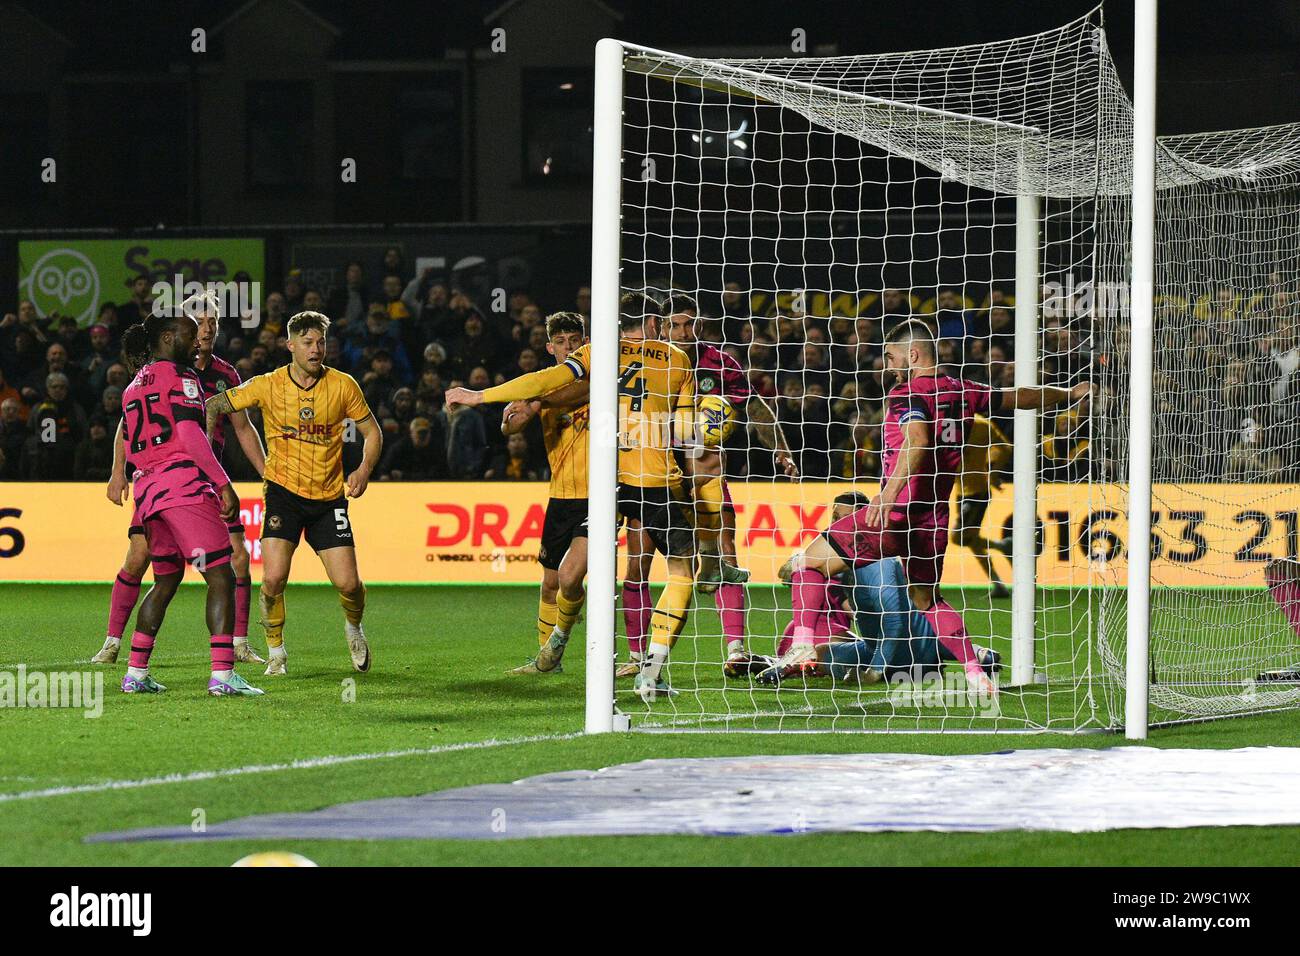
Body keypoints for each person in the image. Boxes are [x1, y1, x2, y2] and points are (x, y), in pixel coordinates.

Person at [773, 320, 1090, 697]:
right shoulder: (965, 391)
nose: (887, 367)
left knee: (804, 563)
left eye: (891, 358)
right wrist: (1068, 392)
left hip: (896, 513)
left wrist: (889, 493)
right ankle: (974, 672)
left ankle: (804, 643)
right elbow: (1019, 396)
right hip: (934, 520)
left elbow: (917, 440)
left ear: (913, 354)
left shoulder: (908, 394)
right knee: (928, 600)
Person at [446, 291, 697, 702]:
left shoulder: (599, 355)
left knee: (573, 574)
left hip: (607, 484)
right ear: (654, 323)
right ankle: (649, 671)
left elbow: (543, 381)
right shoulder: (678, 360)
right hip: (654, 480)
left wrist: (479, 395)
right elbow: (688, 434)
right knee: (681, 572)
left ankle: (564, 646)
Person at [92, 292, 268, 667]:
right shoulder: (177, 373)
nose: (206, 329)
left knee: (228, 562)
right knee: (147, 559)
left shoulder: (223, 375)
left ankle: (236, 643)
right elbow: (141, 428)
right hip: (185, 480)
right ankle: (113, 642)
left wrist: (266, 472)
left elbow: (243, 427)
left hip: (182, 480)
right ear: (178, 329)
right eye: (199, 323)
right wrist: (115, 473)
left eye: (212, 323)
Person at [205, 311, 382, 677]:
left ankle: (354, 627)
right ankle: (277, 652)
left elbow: (372, 432)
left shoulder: (344, 385)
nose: (317, 349)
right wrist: (205, 451)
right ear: (290, 346)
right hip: (283, 494)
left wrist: (363, 469)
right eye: (308, 343)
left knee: (349, 583)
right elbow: (215, 405)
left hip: (329, 498)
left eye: (321, 342)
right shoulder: (268, 384)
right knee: (273, 579)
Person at [662, 293, 798, 677]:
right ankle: (642, 655)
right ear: (662, 327)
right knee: (643, 558)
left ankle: (736, 648)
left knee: (725, 551)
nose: (684, 332)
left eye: (690, 324)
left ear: (700, 326)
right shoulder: (651, 363)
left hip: (705, 471)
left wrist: (782, 451)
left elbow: (754, 408)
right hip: (656, 470)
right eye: (675, 325)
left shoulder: (720, 364)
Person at [496, 312, 590, 675]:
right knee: (550, 582)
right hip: (561, 494)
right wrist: (511, 417)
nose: (570, 347)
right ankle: (546, 661)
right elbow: (513, 426)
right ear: (550, 347)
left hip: (598, 495)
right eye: (562, 342)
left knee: (570, 576)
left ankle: (559, 644)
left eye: (575, 339)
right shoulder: (543, 386)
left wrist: (537, 403)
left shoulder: (598, 379)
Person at [954, 412, 1014, 598]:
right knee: (971, 540)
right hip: (960, 491)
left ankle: (1003, 545)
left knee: (958, 537)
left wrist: (992, 473)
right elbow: (1005, 448)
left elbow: (1006, 448)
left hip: (977, 492)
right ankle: (998, 584)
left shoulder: (980, 424)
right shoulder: (958, 422)